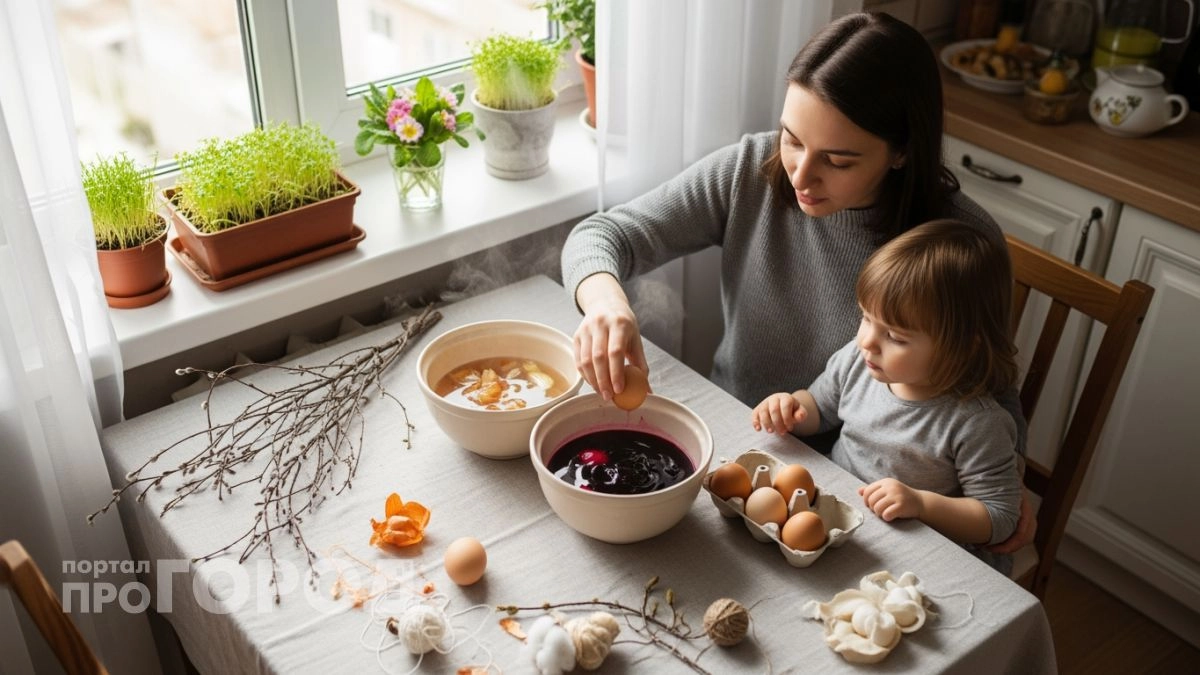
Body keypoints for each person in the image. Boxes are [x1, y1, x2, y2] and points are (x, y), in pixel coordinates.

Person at [559, 12, 1033, 555]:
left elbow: (994, 390)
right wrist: (606, 306)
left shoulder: (958, 242)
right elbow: (604, 234)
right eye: (792, 139)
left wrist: (1006, 489)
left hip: (874, 508)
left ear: (902, 151)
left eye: (838, 160)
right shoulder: (750, 172)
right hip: (748, 440)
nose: (800, 176)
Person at [751, 220, 1021, 572]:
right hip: (836, 519)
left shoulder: (976, 423)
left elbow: (998, 517)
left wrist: (921, 505)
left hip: (906, 556)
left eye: (895, 336)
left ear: (961, 350)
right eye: (866, 318)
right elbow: (819, 408)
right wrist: (789, 408)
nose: (867, 340)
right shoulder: (860, 361)